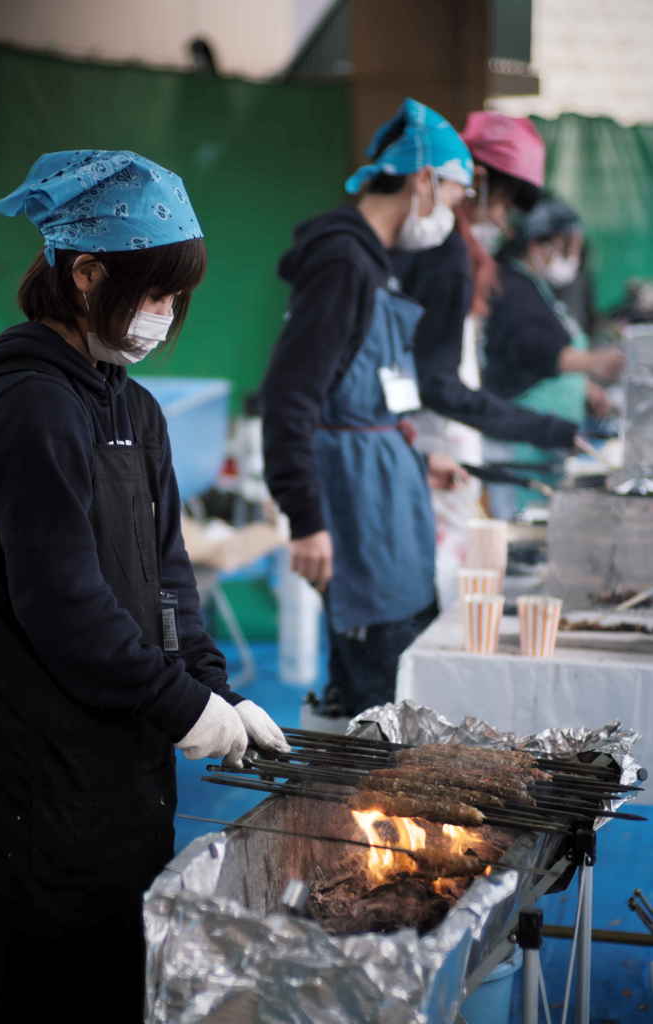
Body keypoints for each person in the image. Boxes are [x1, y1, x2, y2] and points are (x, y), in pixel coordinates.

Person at [0, 150, 288, 1023]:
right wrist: (182, 709)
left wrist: (213, 686)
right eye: (153, 294)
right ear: (85, 272)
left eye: (176, 299)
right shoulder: (28, 405)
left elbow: (167, 577)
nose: (164, 316)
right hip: (30, 772)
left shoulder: (132, 408)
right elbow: (63, 607)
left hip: (115, 761)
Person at [262, 98, 471, 720]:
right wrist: (305, 516)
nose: (452, 216)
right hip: (356, 510)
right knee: (377, 697)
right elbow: (291, 392)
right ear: (423, 180)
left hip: (384, 488)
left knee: (400, 672)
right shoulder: (342, 261)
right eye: (455, 198)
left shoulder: (369, 262)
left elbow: (355, 393)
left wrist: (412, 457)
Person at [389, 113, 590, 599]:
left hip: (434, 450)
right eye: (500, 203)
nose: (502, 220)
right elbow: (437, 384)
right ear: (471, 180)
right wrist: (550, 430)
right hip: (422, 446)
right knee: (418, 603)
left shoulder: (459, 257)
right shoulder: (443, 255)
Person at [482, 195, 624, 516]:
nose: (574, 258)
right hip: (519, 443)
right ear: (537, 244)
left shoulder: (538, 288)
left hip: (545, 445)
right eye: (567, 247)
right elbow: (535, 349)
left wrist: (585, 388)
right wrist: (595, 362)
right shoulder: (512, 287)